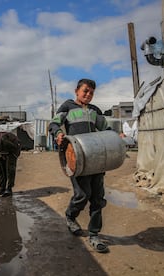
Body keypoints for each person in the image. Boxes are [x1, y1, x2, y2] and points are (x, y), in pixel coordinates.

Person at [48, 78, 110, 253]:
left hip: (96, 159)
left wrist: (116, 137)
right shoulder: (67, 107)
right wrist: (58, 132)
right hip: (77, 159)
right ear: (77, 91)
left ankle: (94, 234)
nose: (88, 95)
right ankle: (70, 216)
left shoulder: (94, 110)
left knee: (97, 197)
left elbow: (105, 129)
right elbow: (54, 123)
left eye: (91, 92)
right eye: (85, 91)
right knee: (83, 194)